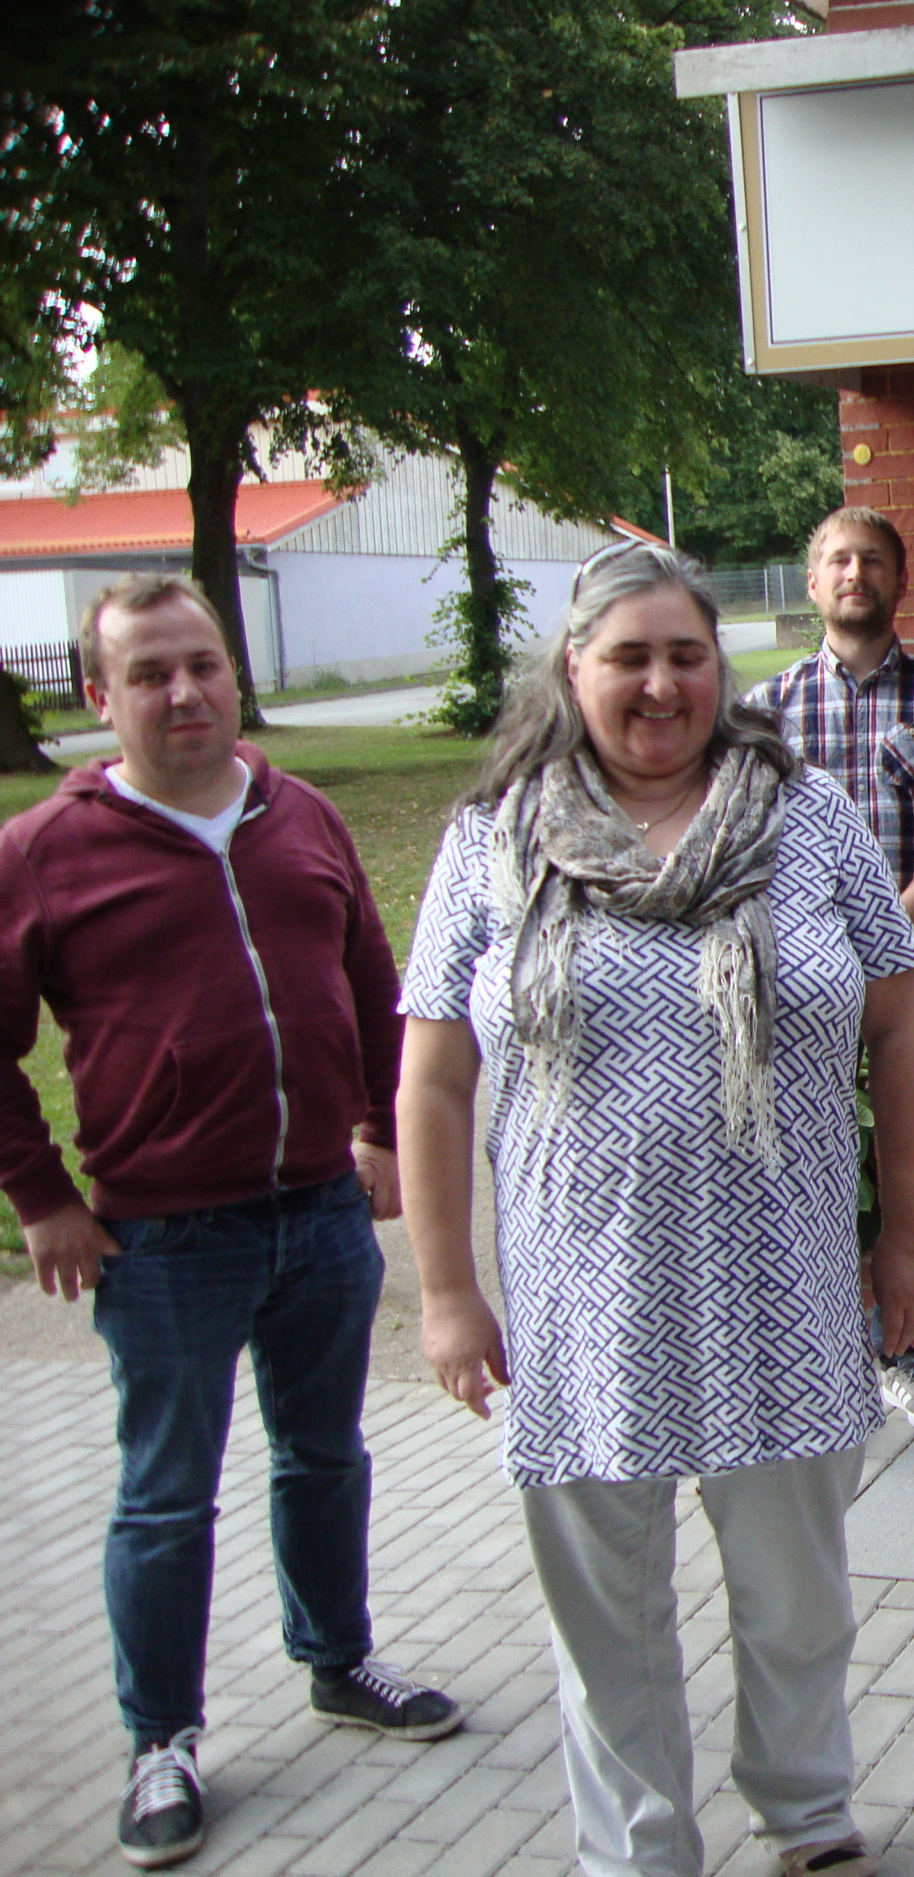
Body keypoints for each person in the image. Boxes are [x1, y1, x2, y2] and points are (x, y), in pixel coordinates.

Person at [397, 542, 914, 1877]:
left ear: (723, 665)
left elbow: (902, 1018)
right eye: (626, 656)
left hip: (784, 1285)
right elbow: (432, 1073)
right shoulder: (494, 838)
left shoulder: (806, 819)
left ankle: (807, 1812)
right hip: (582, 1304)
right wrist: (447, 1290)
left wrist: (912, 1234)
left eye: (684, 653)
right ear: (571, 670)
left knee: (796, 1601)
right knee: (606, 1619)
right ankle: (641, 1849)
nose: (659, 682)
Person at [0, 573, 461, 1869]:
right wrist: (41, 1197)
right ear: (100, 698)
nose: (184, 692)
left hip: (317, 1214)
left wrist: (378, 1125)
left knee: (324, 1458)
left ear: (231, 670)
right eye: (148, 674)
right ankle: (161, 1742)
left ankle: (339, 1659)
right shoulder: (43, 854)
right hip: (159, 1242)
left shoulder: (297, 814)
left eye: (201, 664)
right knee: (164, 1499)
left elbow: (376, 986)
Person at [747, 504, 914, 1433]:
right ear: (812, 583)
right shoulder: (764, 711)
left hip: (904, 974)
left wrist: (884, 922)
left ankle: (908, 1355)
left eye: (873, 561)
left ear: (899, 580)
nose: (855, 574)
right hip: (797, 980)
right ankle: (819, 1345)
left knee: (908, 1154)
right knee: (808, 1152)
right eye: (838, 561)